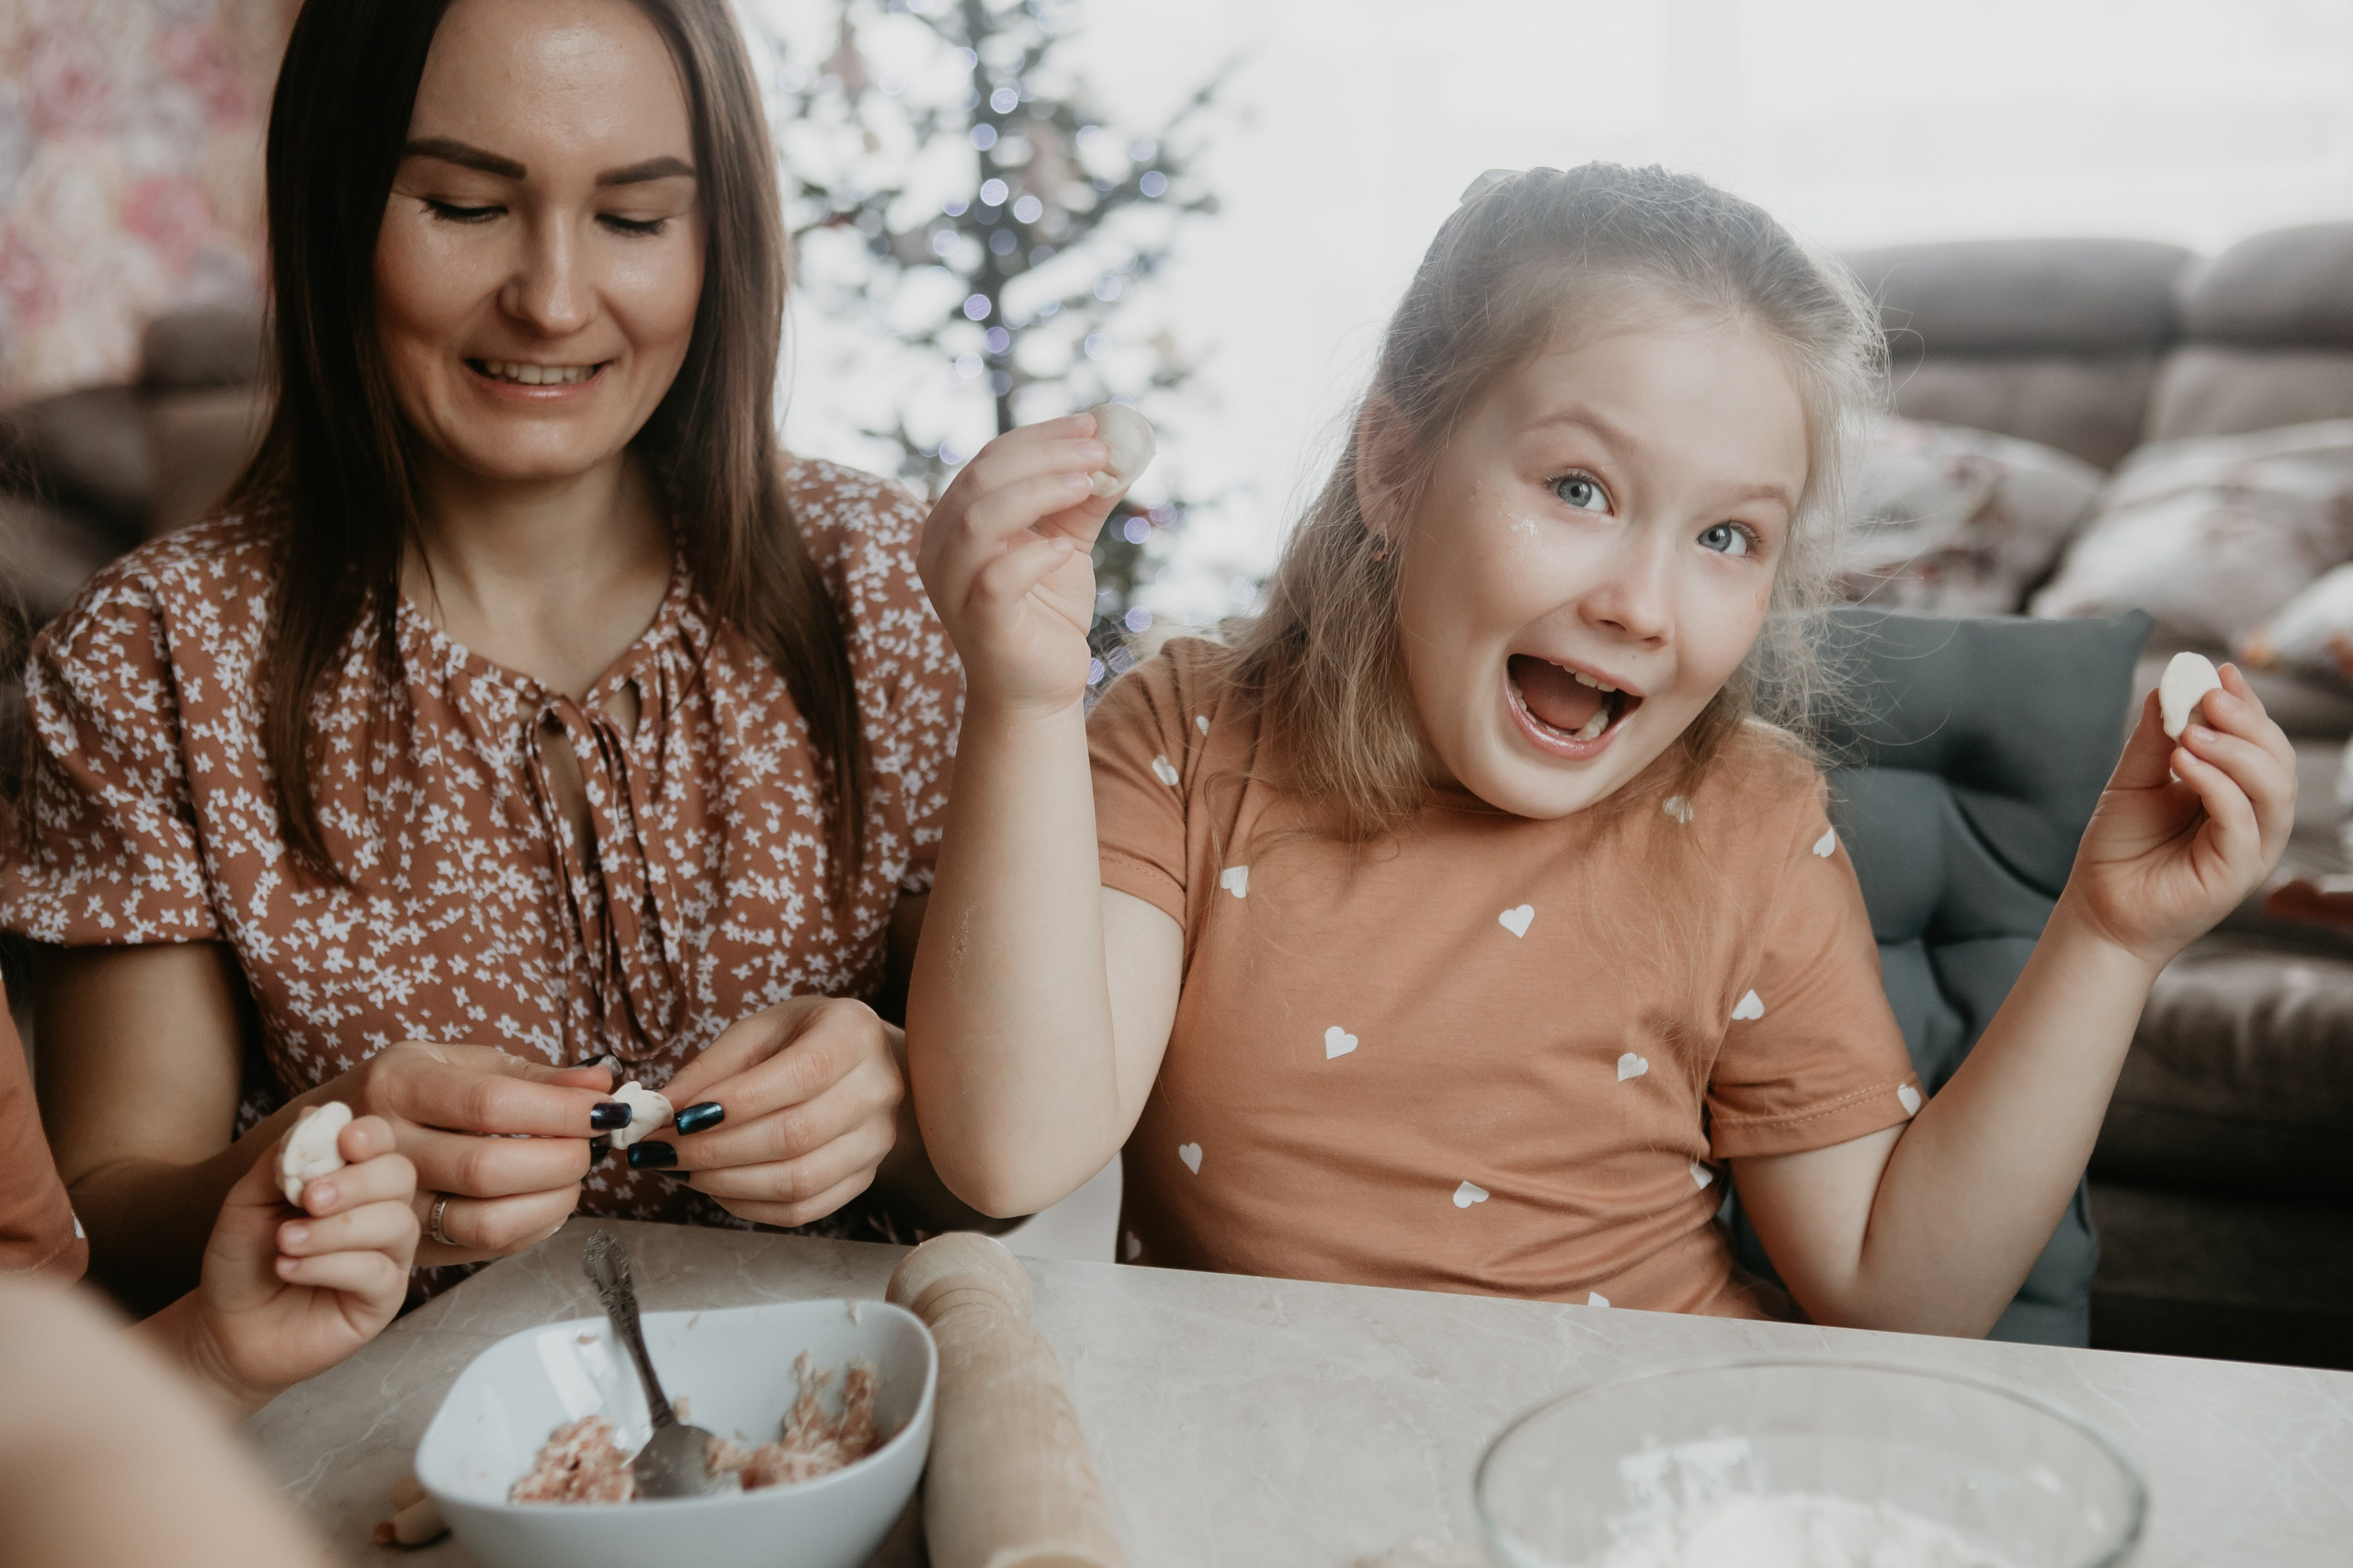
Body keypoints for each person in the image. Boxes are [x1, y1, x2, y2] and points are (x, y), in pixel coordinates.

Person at [905, 164, 2298, 1334]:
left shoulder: (1750, 818)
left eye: (1725, 536)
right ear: (1395, 468)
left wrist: (2111, 936)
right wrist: (1022, 703)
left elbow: (1900, 1285)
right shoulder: (1187, 739)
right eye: (1579, 488)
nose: (1640, 603)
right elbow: (1013, 1147)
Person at [3, 0, 966, 1316]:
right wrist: (318, 1158)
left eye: (634, 219)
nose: (554, 300)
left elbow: (1012, 1174)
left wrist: (906, 1104)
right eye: (462, 206)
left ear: (720, 241)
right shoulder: (153, 660)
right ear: (335, 207)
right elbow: (104, 1222)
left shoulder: (893, 587)